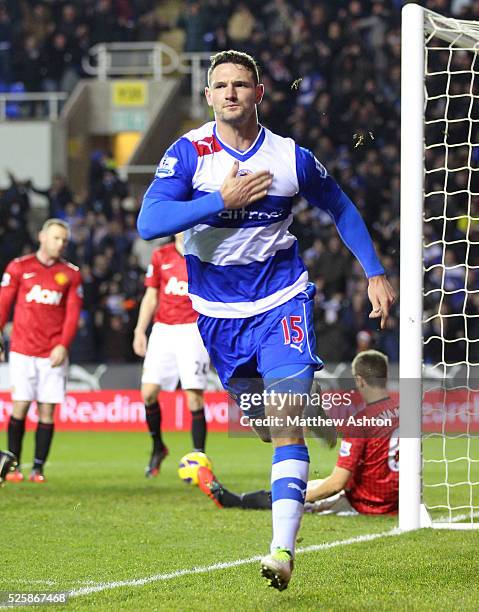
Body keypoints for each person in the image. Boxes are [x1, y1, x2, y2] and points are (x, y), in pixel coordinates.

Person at [137, 50, 395, 590]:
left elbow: (340, 205)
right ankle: (291, 418)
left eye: (241, 84)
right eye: (221, 85)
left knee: (284, 422)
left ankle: (282, 549)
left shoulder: (287, 157)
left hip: (282, 300)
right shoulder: (189, 154)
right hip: (218, 316)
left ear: (259, 94)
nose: (231, 93)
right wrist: (217, 200)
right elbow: (150, 222)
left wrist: (373, 270)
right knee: (262, 423)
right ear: (208, 96)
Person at [197, 350, 399, 516]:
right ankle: (313, 417)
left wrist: (297, 497)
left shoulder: (360, 421)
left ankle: (233, 500)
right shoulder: (404, 410)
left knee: (290, 489)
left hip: (367, 503)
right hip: (396, 501)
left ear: (359, 380)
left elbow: (337, 484)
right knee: (307, 481)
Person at [0, 218, 82, 483]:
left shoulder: (70, 273)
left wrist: (63, 345)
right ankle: (12, 467)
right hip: (23, 350)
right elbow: (4, 303)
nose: (60, 244)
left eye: (64, 240)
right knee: (20, 405)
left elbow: (72, 314)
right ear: (42, 237)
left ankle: (38, 468)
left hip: (52, 353)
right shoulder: (19, 267)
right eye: (56, 238)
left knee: (47, 410)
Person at [132, 233, 210, 477]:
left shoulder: (204, 252)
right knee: (148, 393)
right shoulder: (160, 255)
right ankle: (158, 446)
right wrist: (139, 330)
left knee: (194, 398)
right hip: (163, 329)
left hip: (193, 330)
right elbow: (151, 295)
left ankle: (198, 459)